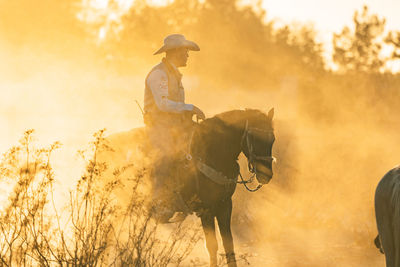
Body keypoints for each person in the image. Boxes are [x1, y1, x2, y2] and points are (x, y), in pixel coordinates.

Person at [143, 34, 205, 222]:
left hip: (174, 128)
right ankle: (158, 204)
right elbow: (163, 104)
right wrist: (189, 108)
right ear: (176, 51)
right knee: (165, 157)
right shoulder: (160, 75)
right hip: (160, 128)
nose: (188, 54)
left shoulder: (173, 74)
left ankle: (186, 199)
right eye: (185, 51)